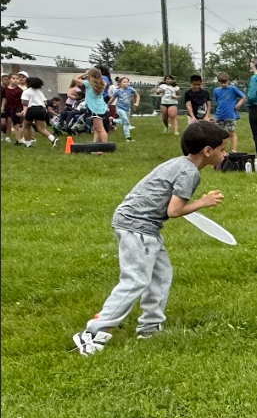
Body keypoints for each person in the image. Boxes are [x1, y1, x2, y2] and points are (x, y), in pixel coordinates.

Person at [70, 121, 229, 355]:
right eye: (222, 149)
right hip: (138, 226)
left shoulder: (179, 164)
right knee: (135, 280)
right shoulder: (189, 173)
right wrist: (203, 202)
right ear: (207, 151)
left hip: (141, 226)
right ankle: (93, 333)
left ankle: (150, 328)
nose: (225, 154)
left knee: (160, 276)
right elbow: (174, 211)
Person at [19, 74, 56, 147]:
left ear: (28, 84)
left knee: (26, 126)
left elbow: (25, 103)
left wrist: (24, 111)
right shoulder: (40, 92)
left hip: (32, 109)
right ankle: (53, 138)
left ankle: (28, 144)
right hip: (41, 109)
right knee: (41, 128)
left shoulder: (26, 92)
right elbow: (45, 102)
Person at [212, 73, 246, 151]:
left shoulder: (232, 89)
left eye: (225, 82)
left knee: (232, 133)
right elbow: (216, 101)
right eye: (221, 83)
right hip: (219, 116)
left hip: (230, 116)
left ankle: (234, 150)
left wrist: (238, 104)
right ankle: (221, 151)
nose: (223, 84)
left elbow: (243, 96)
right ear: (218, 82)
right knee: (219, 135)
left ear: (228, 81)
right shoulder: (216, 90)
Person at [83, 68, 110, 144]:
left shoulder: (88, 84)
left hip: (95, 108)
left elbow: (75, 79)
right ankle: (95, 143)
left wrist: (85, 74)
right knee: (95, 128)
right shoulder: (102, 83)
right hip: (101, 107)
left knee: (100, 128)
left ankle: (105, 145)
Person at [110, 76, 138, 141]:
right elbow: (112, 99)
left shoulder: (131, 89)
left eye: (127, 82)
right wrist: (107, 106)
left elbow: (137, 95)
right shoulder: (117, 91)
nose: (126, 83)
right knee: (126, 122)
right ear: (120, 83)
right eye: (124, 82)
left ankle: (113, 120)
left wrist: (136, 103)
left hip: (127, 109)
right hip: (119, 108)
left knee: (125, 123)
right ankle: (128, 138)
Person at [3, 70, 26, 143]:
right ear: (9, 79)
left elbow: (22, 101)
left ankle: (20, 139)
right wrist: (2, 106)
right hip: (8, 108)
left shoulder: (19, 90)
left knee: (17, 125)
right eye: (13, 78)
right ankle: (11, 138)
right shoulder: (5, 89)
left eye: (17, 78)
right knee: (9, 123)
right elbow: (4, 98)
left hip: (17, 108)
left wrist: (23, 110)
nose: (15, 80)